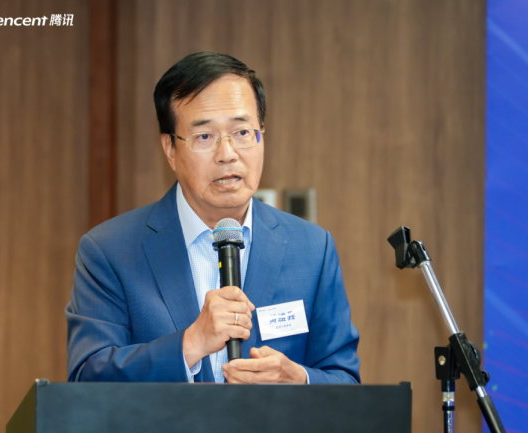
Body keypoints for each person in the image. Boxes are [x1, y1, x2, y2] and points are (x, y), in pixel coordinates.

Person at [66, 52, 360, 384]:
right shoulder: (110, 250)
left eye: (243, 132)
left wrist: (300, 381)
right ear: (170, 149)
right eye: (204, 136)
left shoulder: (312, 248)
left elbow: (345, 380)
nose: (227, 154)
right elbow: (87, 378)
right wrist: (190, 344)